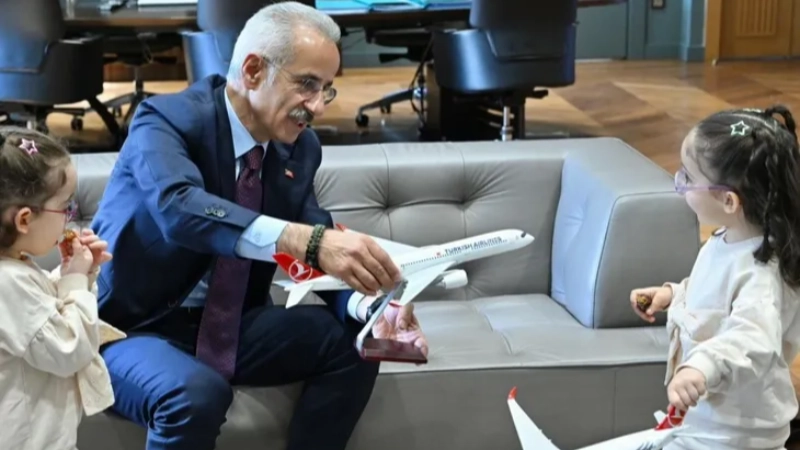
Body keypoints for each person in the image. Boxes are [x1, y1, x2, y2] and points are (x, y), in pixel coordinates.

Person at [89, 2, 428, 450]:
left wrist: (372, 308)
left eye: (326, 89)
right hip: (132, 327)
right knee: (196, 394)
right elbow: (179, 209)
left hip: (231, 325)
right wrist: (301, 240)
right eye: (307, 84)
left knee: (355, 343)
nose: (317, 106)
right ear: (253, 71)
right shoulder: (165, 120)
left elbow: (318, 239)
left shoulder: (299, 148)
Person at [628, 105, 800, 449]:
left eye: (688, 178)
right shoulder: (726, 238)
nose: (680, 182)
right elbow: (716, 299)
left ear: (729, 201)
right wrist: (673, 295)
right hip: (710, 417)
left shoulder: (760, 274)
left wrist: (701, 366)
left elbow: (754, 338)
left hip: (736, 433)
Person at [0, 127, 124, 450]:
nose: (70, 218)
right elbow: (69, 348)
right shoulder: (8, 283)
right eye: (66, 207)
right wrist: (76, 280)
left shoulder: (14, 268)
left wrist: (72, 273)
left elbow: (41, 311)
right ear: (24, 220)